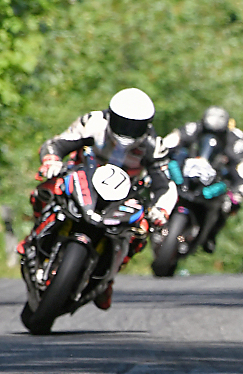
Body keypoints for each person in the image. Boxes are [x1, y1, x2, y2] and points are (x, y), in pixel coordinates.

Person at [19, 87, 177, 310]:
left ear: (147, 124)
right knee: (45, 189)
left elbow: (165, 184)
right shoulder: (94, 122)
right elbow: (59, 142)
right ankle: (34, 236)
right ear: (111, 115)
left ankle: (108, 277)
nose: (128, 130)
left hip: (124, 195)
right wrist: (51, 160)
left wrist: (161, 210)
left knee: (140, 231)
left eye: (135, 126)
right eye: (123, 123)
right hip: (81, 177)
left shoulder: (154, 146)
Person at [161, 106, 243, 253]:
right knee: (157, 182)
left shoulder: (235, 139)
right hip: (187, 175)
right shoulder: (193, 128)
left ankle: (211, 235)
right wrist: (160, 153)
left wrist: (242, 185)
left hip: (215, 182)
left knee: (230, 205)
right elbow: (170, 142)